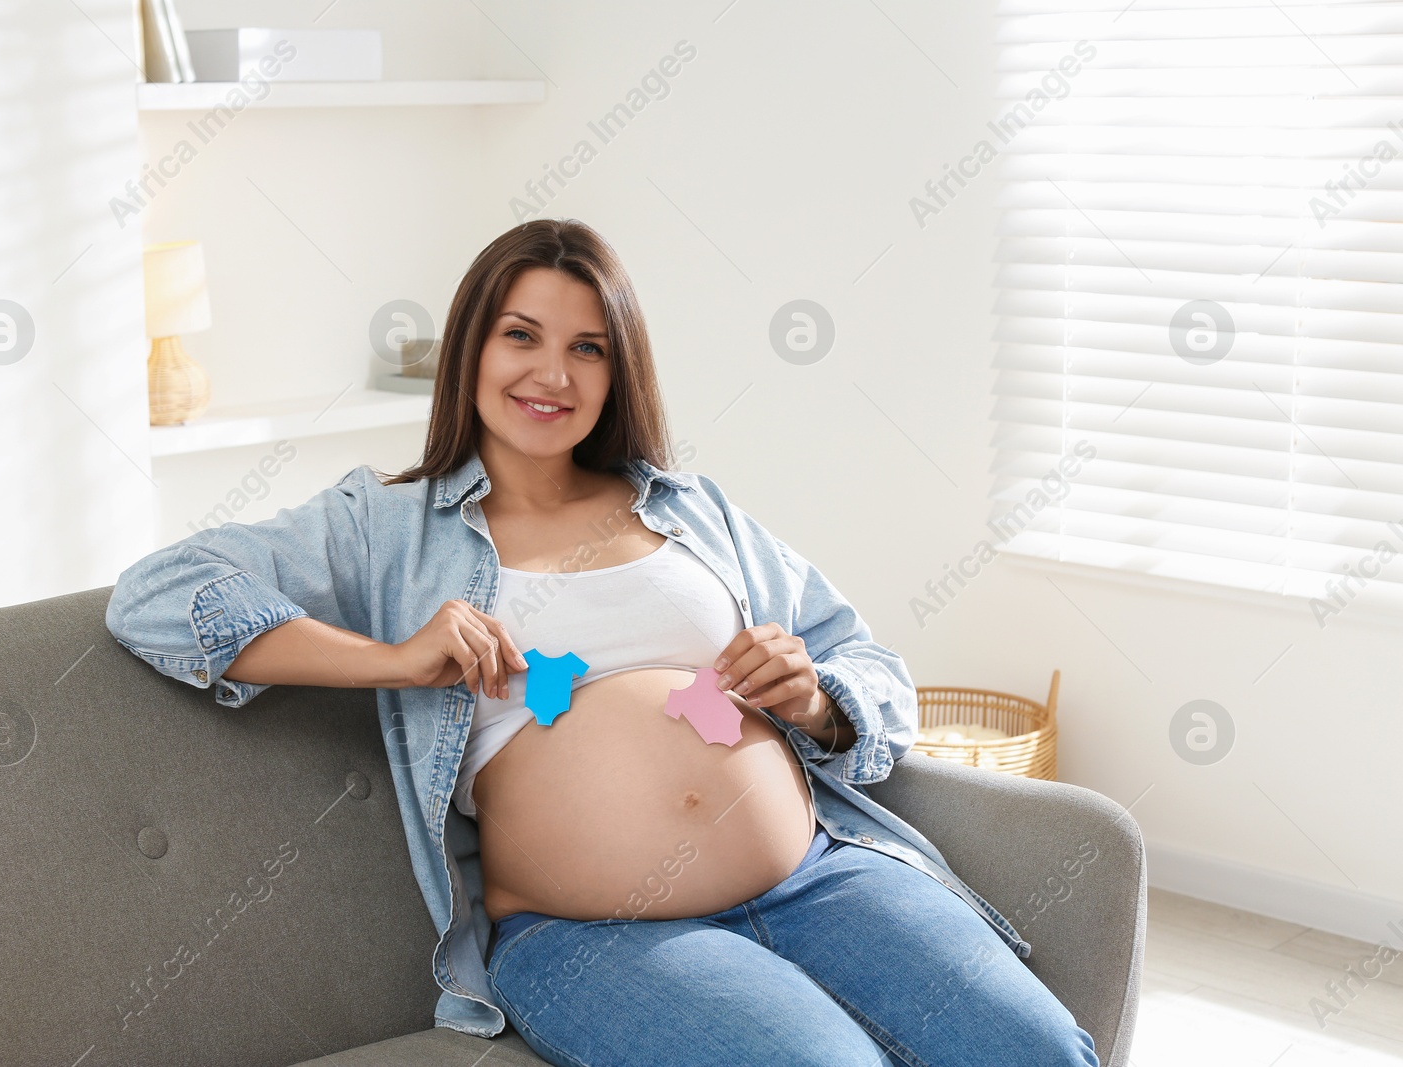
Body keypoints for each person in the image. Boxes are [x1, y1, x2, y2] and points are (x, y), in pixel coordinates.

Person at [105, 218, 1098, 1066]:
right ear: (470, 351)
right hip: (592, 934)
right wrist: (395, 657)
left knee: (1041, 1049)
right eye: (520, 336)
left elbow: (866, 662)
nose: (552, 372)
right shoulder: (385, 526)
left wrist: (815, 697)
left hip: (816, 874)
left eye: (587, 346)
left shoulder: (690, 507)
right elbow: (157, 594)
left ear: (618, 367)